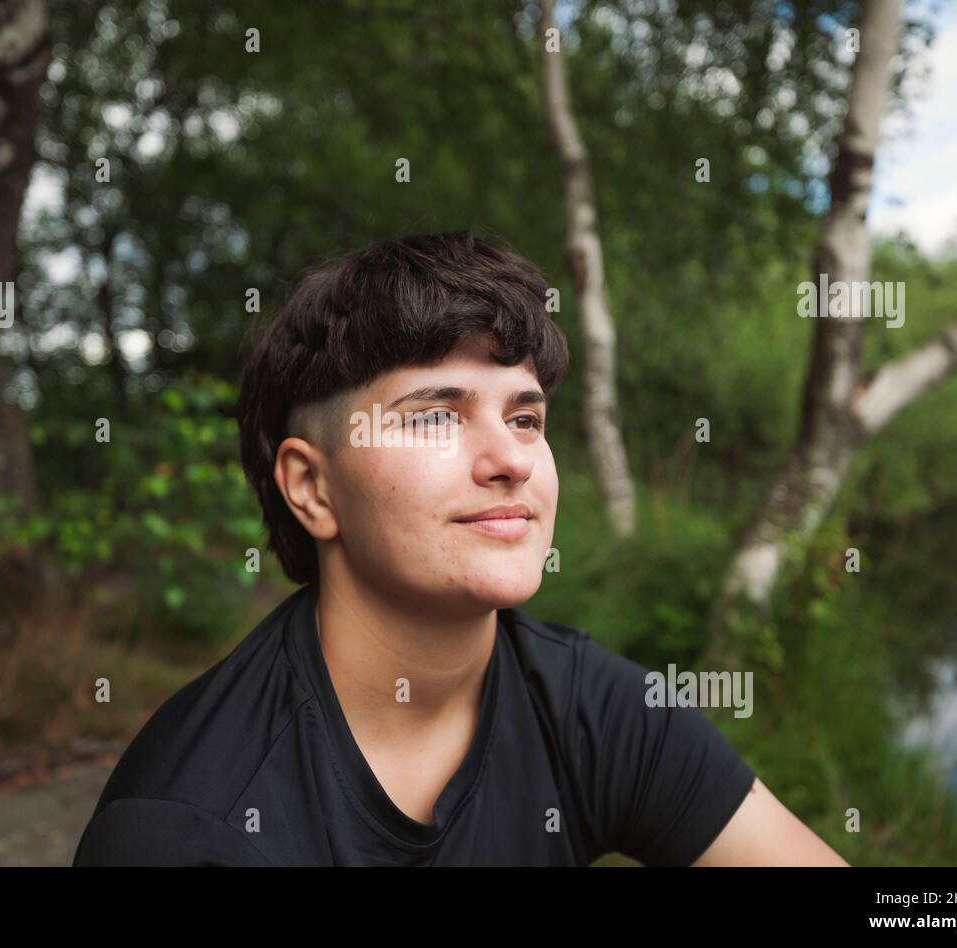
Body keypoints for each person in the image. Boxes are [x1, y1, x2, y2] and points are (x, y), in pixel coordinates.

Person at [73, 230, 849, 866]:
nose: (509, 459)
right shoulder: (187, 827)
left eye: (525, 418)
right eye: (437, 415)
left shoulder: (590, 706)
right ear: (312, 488)